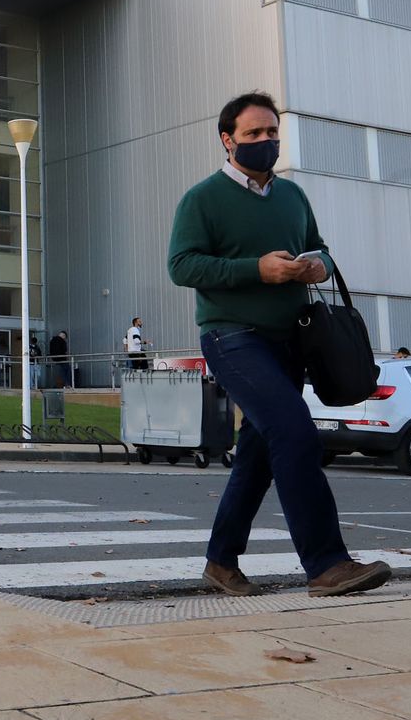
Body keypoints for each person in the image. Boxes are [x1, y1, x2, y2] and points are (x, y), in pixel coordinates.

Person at [168, 90, 391, 599]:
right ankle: (327, 564)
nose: (265, 140)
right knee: (295, 433)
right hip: (231, 337)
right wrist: (257, 270)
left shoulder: (292, 195)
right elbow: (182, 266)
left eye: (272, 132)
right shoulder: (202, 199)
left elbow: (322, 249)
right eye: (253, 133)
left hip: (290, 341)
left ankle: (220, 562)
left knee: (258, 455)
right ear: (228, 140)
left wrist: (318, 266)